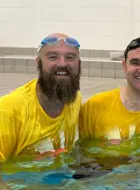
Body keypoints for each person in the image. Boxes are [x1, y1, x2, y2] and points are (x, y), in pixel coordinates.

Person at [0, 33, 82, 165]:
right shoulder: (8, 110)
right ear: (38, 63)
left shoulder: (75, 99)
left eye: (70, 57)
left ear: (78, 64)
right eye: (52, 57)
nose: (62, 63)